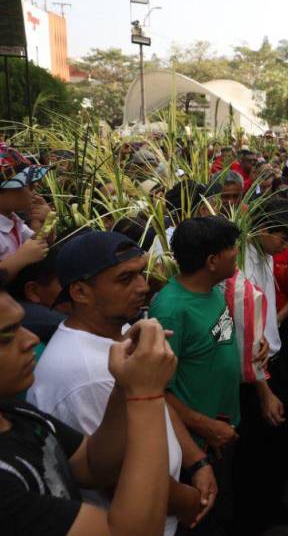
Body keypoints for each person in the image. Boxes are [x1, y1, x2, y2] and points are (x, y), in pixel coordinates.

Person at [27, 231, 214, 535]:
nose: (143, 286)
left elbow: (156, 397)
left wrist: (196, 461)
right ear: (80, 292)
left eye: (141, 273)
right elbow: (115, 478)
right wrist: (193, 501)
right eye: (125, 279)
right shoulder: (85, 373)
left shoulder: (118, 329)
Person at [0, 294, 180, 535]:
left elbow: (92, 465)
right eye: (7, 336)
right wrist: (146, 395)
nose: (31, 339)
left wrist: (123, 385)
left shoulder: (15, 413)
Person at [150, 217, 243, 535]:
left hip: (222, 432)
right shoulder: (170, 310)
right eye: (232, 249)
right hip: (199, 445)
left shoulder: (214, 291)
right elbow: (156, 391)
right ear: (212, 260)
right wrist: (207, 427)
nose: (237, 254)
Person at [233, 199, 288, 533]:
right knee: (258, 449)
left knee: (273, 444)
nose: (286, 246)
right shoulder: (241, 264)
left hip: (269, 362)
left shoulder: (264, 254)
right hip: (254, 374)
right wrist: (263, 388)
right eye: (283, 237)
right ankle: (256, 515)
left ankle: (270, 505)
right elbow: (237, 330)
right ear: (263, 230)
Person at [0, 146, 49, 282]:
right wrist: (20, 258)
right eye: (29, 185)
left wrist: (44, 221)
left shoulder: (12, 219)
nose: (35, 188)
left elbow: (38, 245)